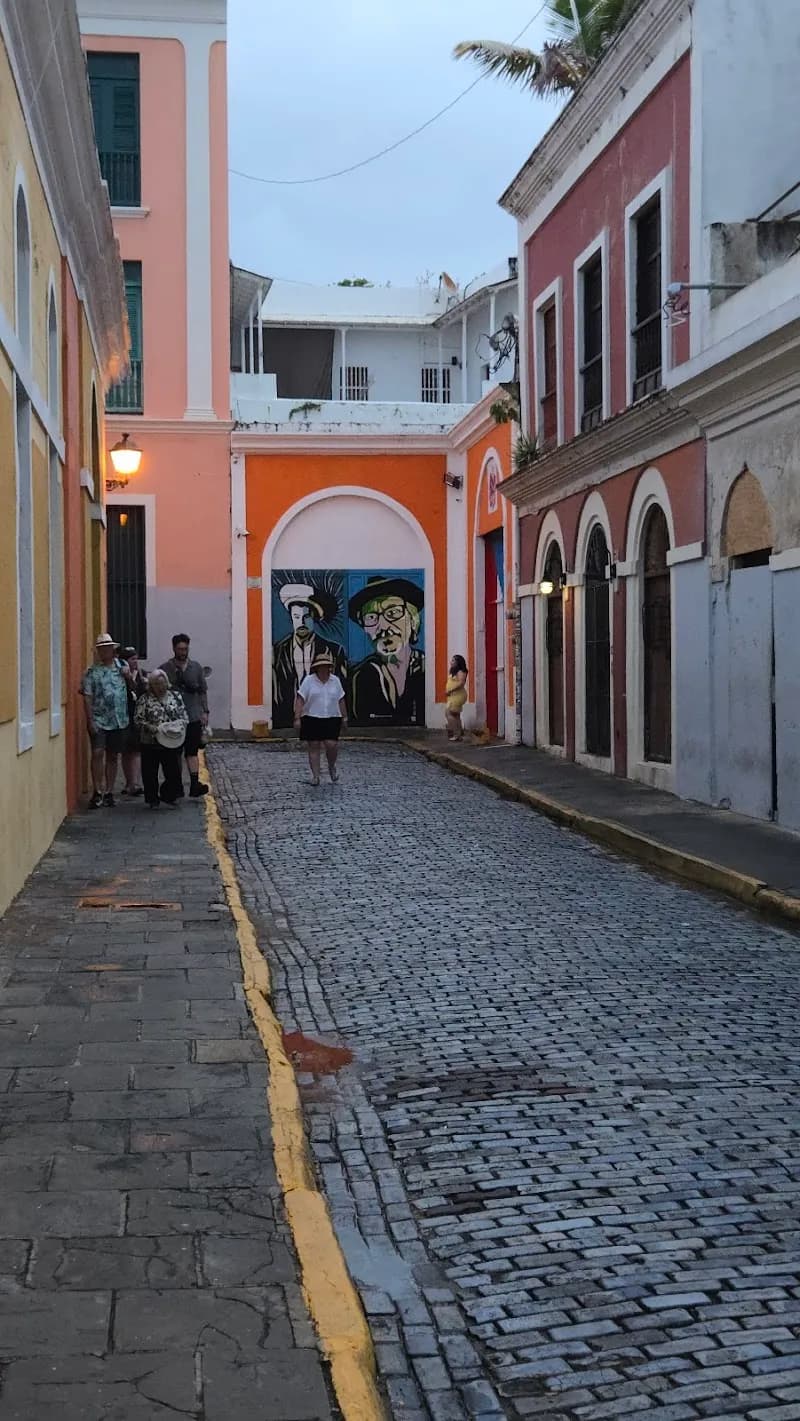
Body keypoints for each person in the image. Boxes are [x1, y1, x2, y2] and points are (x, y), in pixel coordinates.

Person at [348, 576, 425, 726]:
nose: (383, 626)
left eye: (393, 612)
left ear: (413, 620)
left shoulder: (427, 668)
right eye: (371, 617)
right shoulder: (360, 675)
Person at [272, 582, 347, 728]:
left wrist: (343, 717)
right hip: (287, 719)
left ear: (314, 618)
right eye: (296, 616)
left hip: (324, 716)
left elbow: (341, 692)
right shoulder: (278, 651)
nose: (301, 622)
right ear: (291, 618)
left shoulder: (334, 651)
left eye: (306, 617)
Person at [80, 633, 131, 808]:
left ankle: (109, 791)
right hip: (99, 719)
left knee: (113, 755)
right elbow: (87, 697)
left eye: (107, 648)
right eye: (101, 649)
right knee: (97, 752)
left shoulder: (122, 667)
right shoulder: (91, 672)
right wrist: (90, 720)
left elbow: (133, 687)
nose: (104, 651)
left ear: (112, 649)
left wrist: (128, 676)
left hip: (118, 719)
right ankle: (97, 790)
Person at [160, 634, 209, 798]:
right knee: (174, 753)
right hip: (173, 718)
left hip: (193, 715)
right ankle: (176, 786)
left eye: (185, 649)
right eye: (180, 649)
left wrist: (205, 711)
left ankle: (195, 784)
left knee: (192, 751)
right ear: (174, 649)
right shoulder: (166, 668)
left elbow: (203, 691)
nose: (183, 652)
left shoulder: (196, 667)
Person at [134, 670, 188, 808]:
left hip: (171, 739)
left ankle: (169, 795)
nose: (160, 687)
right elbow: (138, 719)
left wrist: (179, 725)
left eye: (162, 683)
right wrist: (150, 727)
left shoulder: (175, 696)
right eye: (157, 684)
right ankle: (152, 799)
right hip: (150, 741)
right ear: (151, 685)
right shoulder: (145, 699)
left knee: (173, 771)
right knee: (150, 772)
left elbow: (183, 715)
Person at [293, 649, 348, 786]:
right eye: (321, 666)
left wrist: (345, 717)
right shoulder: (309, 681)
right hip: (312, 717)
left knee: (331, 745)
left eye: (326, 666)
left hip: (332, 717)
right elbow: (300, 699)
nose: (324, 669)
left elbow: (341, 699)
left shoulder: (335, 681)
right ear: (316, 668)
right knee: (314, 746)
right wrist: (297, 717)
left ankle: (331, 766)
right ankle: (315, 776)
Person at [120, 646, 147, 797]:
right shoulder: (121, 676)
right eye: (132, 659)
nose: (135, 662)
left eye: (136, 658)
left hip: (138, 715)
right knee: (126, 751)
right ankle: (128, 782)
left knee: (136, 750)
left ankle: (135, 783)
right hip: (124, 714)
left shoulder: (142, 675)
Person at [445, 655, 468, 741]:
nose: (451, 662)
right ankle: (459, 733)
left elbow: (461, 683)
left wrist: (450, 690)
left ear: (458, 662)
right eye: (451, 660)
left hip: (458, 695)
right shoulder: (454, 671)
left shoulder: (461, 671)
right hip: (453, 696)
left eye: (453, 660)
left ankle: (456, 734)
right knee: (456, 714)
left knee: (448, 713)